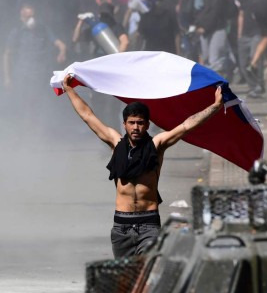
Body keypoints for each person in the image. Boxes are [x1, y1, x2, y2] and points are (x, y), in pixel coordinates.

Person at [61, 74, 223, 258]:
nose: (135, 127)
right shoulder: (116, 143)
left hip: (149, 226)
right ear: (124, 124)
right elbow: (87, 116)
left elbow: (186, 126)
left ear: (147, 125)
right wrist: (69, 89)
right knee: (124, 280)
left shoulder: (157, 144)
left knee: (146, 271)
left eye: (140, 123)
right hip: (121, 227)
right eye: (131, 123)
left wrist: (215, 106)